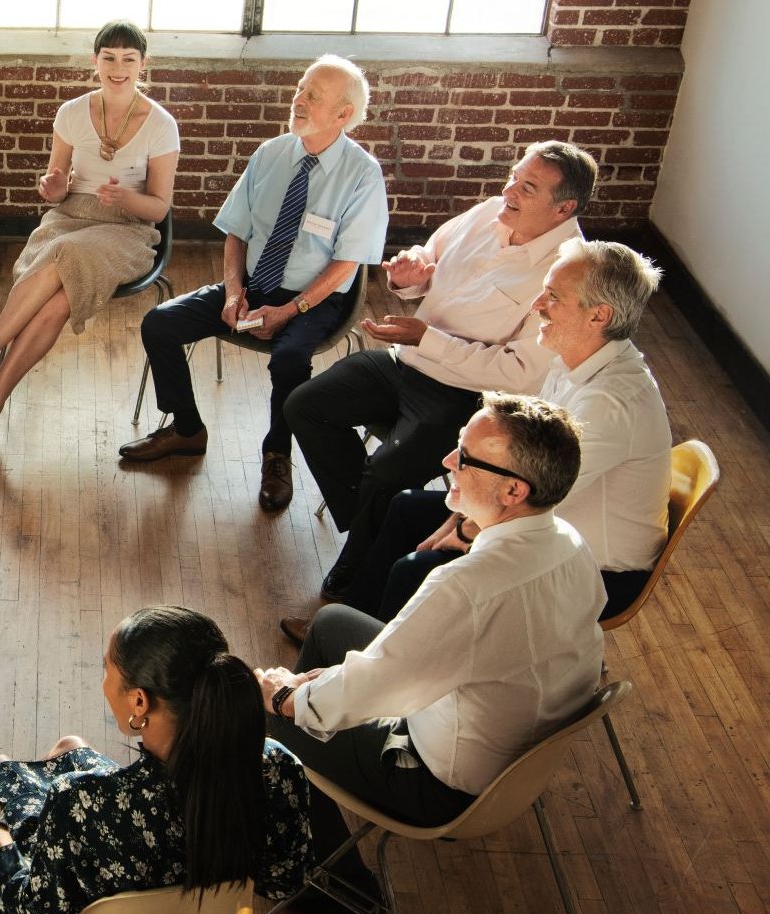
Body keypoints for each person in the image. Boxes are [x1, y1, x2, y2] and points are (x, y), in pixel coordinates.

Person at [257, 394, 604, 905]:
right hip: (513, 749)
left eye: (465, 457)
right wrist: (325, 689)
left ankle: (338, 886)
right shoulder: (570, 541)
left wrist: (287, 698)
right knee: (331, 624)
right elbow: (394, 671)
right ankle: (311, 788)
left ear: (514, 490)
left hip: (439, 785)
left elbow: (384, 683)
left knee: (268, 721)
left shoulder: (467, 588)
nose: (447, 462)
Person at [284, 240, 670, 640]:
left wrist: (465, 531)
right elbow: (522, 473)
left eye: (553, 297)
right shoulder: (577, 355)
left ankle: (377, 658)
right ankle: (351, 629)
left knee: (416, 569)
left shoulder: (610, 404)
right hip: (544, 521)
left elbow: (537, 495)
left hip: (593, 568)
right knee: (404, 507)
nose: (536, 305)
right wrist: (459, 516)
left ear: (599, 316)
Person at [287, 140, 598, 599]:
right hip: (409, 359)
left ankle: (356, 574)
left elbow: (518, 374)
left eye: (527, 187)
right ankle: (373, 527)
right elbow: (428, 256)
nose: (509, 190)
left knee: (386, 474)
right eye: (513, 177)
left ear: (563, 208)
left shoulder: (569, 272)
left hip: (468, 397)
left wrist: (428, 338)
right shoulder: (491, 211)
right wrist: (408, 275)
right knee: (306, 405)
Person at [121, 56, 386, 513]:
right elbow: (236, 232)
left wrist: (289, 311)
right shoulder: (271, 154)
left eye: (313, 96)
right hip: (253, 286)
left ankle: (277, 455)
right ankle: (187, 428)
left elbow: (347, 265)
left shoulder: (362, 174)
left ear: (343, 114)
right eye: (300, 88)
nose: (298, 100)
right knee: (160, 323)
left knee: (290, 359)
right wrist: (232, 292)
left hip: (315, 299)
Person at [0, 606, 310, 911]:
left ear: (139, 701)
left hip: (74, 854)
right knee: (70, 747)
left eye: (106, 668)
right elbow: (283, 880)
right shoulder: (278, 768)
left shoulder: (78, 805)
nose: (104, 681)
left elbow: (25, 906)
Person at [0, 20, 178, 449]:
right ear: (95, 61)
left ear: (143, 64)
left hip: (128, 229)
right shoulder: (71, 112)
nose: (118, 68)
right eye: (109, 58)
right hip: (70, 216)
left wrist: (125, 198)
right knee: (56, 297)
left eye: (128, 59)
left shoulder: (161, 124)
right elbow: (57, 189)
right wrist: (53, 187)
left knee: (64, 253)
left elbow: (160, 208)